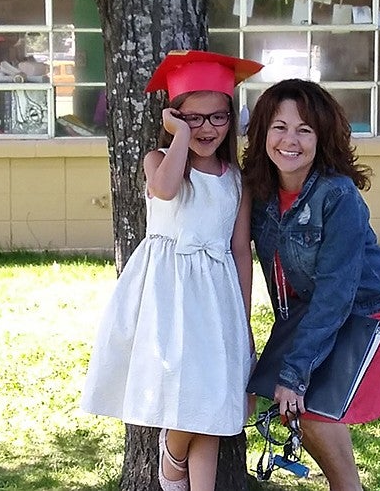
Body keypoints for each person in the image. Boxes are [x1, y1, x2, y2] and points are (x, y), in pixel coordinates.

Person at [81, 50, 263, 491]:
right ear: (174, 118)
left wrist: (243, 316)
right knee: (189, 393)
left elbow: (240, 249)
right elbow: (163, 190)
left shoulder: (236, 181)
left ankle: (191, 475)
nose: (207, 129)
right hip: (169, 294)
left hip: (216, 299)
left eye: (218, 118)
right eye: (192, 119)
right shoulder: (159, 161)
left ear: (232, 119)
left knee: (214, 406)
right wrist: (177, 136)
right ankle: (172, 450)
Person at [242, 79, 380, 491]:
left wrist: (296, 371)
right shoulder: (258, 191)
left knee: (310, 407)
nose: (289, 140)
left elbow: (338, 292)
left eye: (304, 130)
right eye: (279, 127)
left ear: (321, 138)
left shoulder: (337, 195)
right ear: (263, 132)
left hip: (366, 304)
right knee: (291, 403)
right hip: (309, 305)